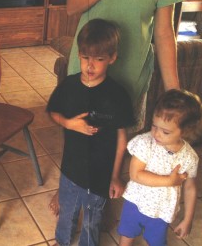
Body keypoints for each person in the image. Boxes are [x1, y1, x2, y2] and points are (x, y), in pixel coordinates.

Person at [50, 0, 184, 216]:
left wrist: (173, 91)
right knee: (77, 131)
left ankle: (107, 188)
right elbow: (70, 6)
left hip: (129, 73)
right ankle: (67, 187)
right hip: (87, 70)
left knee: (117, 137)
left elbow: (164, 35)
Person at [47, 19, 135, 246]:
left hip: (100, 174)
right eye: (85, 57)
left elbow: (121, 140)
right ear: (78, 54)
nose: (90, 66)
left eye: (99, 59)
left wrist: (115, 176)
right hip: (70, 171)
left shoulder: (118, 95)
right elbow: (52, 112)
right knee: (67, 214)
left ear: (112, 58)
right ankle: (62, 241)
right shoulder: (69, 85)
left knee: (92, 220)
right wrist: (67, 123)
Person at [118, 89, 202, 245]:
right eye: (154, 126)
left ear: (185, 131)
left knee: (156, 241)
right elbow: (136, 174)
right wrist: (169, 181)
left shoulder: (189, 157)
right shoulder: (145, 143)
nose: (156, 134)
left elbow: (190, 188)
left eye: (165, 131)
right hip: (135, 202)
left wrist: (188, 219)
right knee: (127, 234)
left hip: (162, 210)